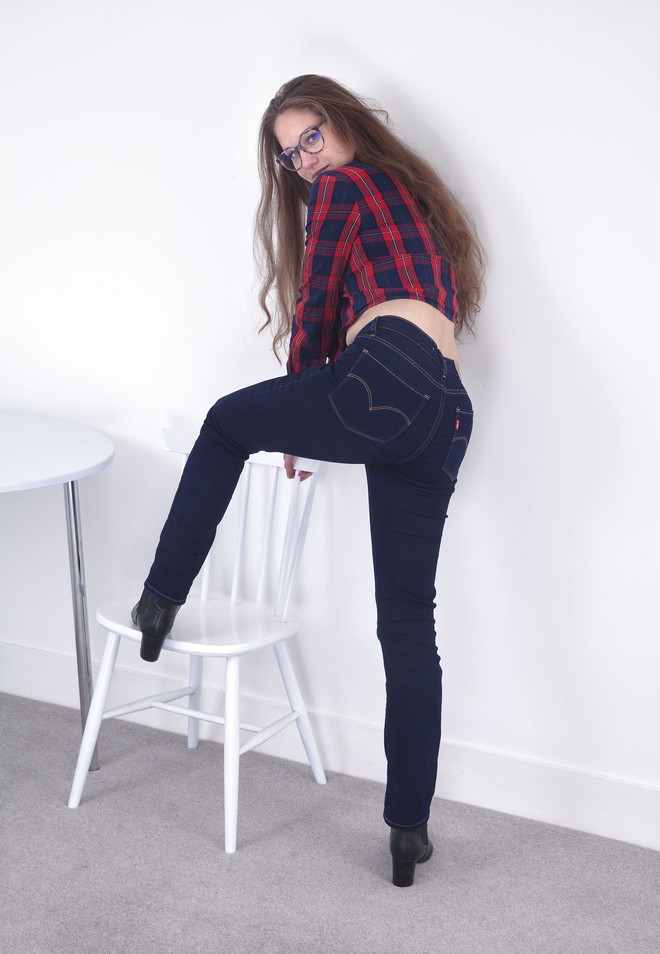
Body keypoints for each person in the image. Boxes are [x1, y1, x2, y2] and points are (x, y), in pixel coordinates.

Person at [132, 74, 485, 887]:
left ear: (344, 124)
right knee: (408, 621)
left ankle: (159, 596)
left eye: (311, 137)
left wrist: (299, 405)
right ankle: (407, 830)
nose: (305, 161)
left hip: (383, 376)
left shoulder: (347, 186)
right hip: (446, 412)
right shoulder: (414, 203)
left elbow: (318, 300)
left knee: (226, 424)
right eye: (290, 156)